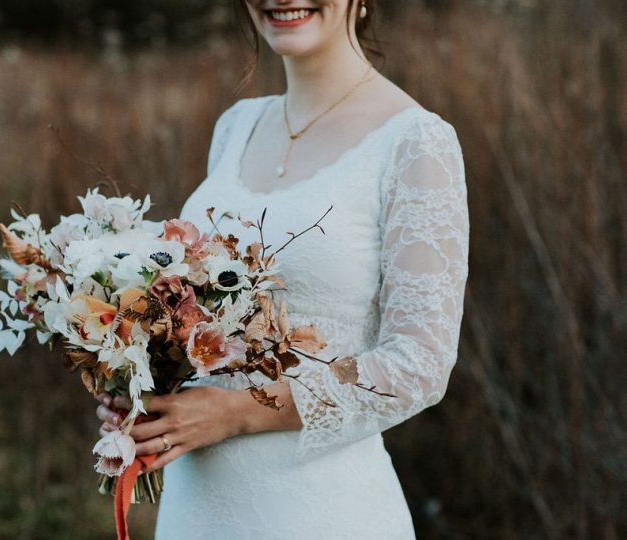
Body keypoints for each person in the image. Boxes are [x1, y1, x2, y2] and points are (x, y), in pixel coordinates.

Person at [96, 0, 469, 537]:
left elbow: (418, 366)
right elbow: (203, 324)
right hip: (197, 511)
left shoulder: (414, 142)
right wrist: (140, 391)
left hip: (322, 510)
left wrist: (234, 414)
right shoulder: (236, 127)